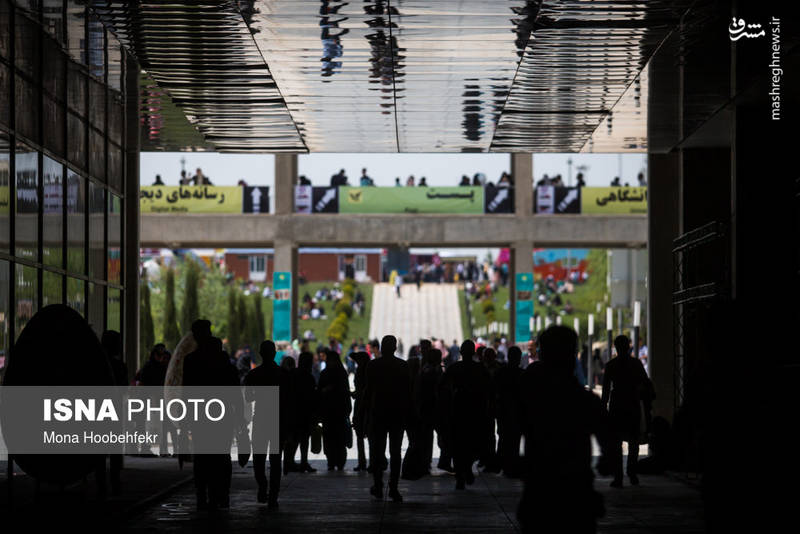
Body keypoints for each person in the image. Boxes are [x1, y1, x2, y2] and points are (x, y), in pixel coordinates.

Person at [517, 326, 608, 533]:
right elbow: (607, 441)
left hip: (539, 491)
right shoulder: (584, 400)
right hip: (576, 492)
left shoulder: (531, 398)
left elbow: (513, 427)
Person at [183, 321, 242, 510]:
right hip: (223, 416)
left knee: (202, 457)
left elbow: (187, 393)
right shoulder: (225, 363)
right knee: (221, 457)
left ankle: (203, 496)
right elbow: (235, 394)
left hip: (200, 415)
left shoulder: (191, 361)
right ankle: (221, 495)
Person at [244, 340, 292, 508]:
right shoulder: (283, 374)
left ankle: (263, 486)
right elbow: (288, 401)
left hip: (261, 420)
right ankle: (273, 495)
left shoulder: (254, 375)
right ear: (274, 353)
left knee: (258, 459)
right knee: (276, 460)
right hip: (278, 420)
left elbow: (248, 398)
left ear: (260, 353)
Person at [361, 335, 410, 502]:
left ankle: (378, 486)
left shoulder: (373, 365)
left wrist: (363, 413)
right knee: (395, 452)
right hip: (397, 413)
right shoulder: (403, 366)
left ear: (381, 348)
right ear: (395, 348)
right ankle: (394, 488)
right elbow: (407, 393)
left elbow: (368, 391)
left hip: (379, 412)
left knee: (377, 451)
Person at [601, 335, 652, 487]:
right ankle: (632, 472)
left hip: (617, 405)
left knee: (616, 443)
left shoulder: (611, 365)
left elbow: (605, 390)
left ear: (615, 347)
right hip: (633, 403)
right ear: (628, 346)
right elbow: (645, 383)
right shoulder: (636, 364)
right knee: (634, 441)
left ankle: (618, 477)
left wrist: (603, 408)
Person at [442, 340, 491, 490]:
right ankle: (467, 468)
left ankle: (460, 475)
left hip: (459, 408)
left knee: (458, 444)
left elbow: (443, 387)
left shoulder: (454, 368)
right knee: (472, 442)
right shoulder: (480, 369)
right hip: (475, 409)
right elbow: (489, 389)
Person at [318, 349, 352, 471]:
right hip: (336, 411)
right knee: (336, 439)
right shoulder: (341, 374)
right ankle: (336, 461)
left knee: (332, 438)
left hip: (333, 411)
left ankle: (333, 461)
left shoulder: (326, 373)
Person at [285, 352, 318, 474]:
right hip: (304, 412)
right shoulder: (309, 377)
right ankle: (303, 462)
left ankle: (289, 462)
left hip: (293, 411)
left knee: (293, 438)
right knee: (304, 439)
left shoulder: (293, 374)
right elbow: (312, 396)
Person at [495, 346, 523, 477]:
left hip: (505, 410)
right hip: (515, 411)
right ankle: (511, 465)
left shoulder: (501, 372)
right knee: (514, 439)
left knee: (504, 438)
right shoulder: (522, 374)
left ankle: (505, 465)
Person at [350, 351, 370, 471]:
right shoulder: (367, 371)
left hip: (363, 405)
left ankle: (362, 462)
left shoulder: (363, 372)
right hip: (366, 405)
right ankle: (369, 462)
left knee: (361, 436)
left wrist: (356, 394)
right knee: (367, 436)